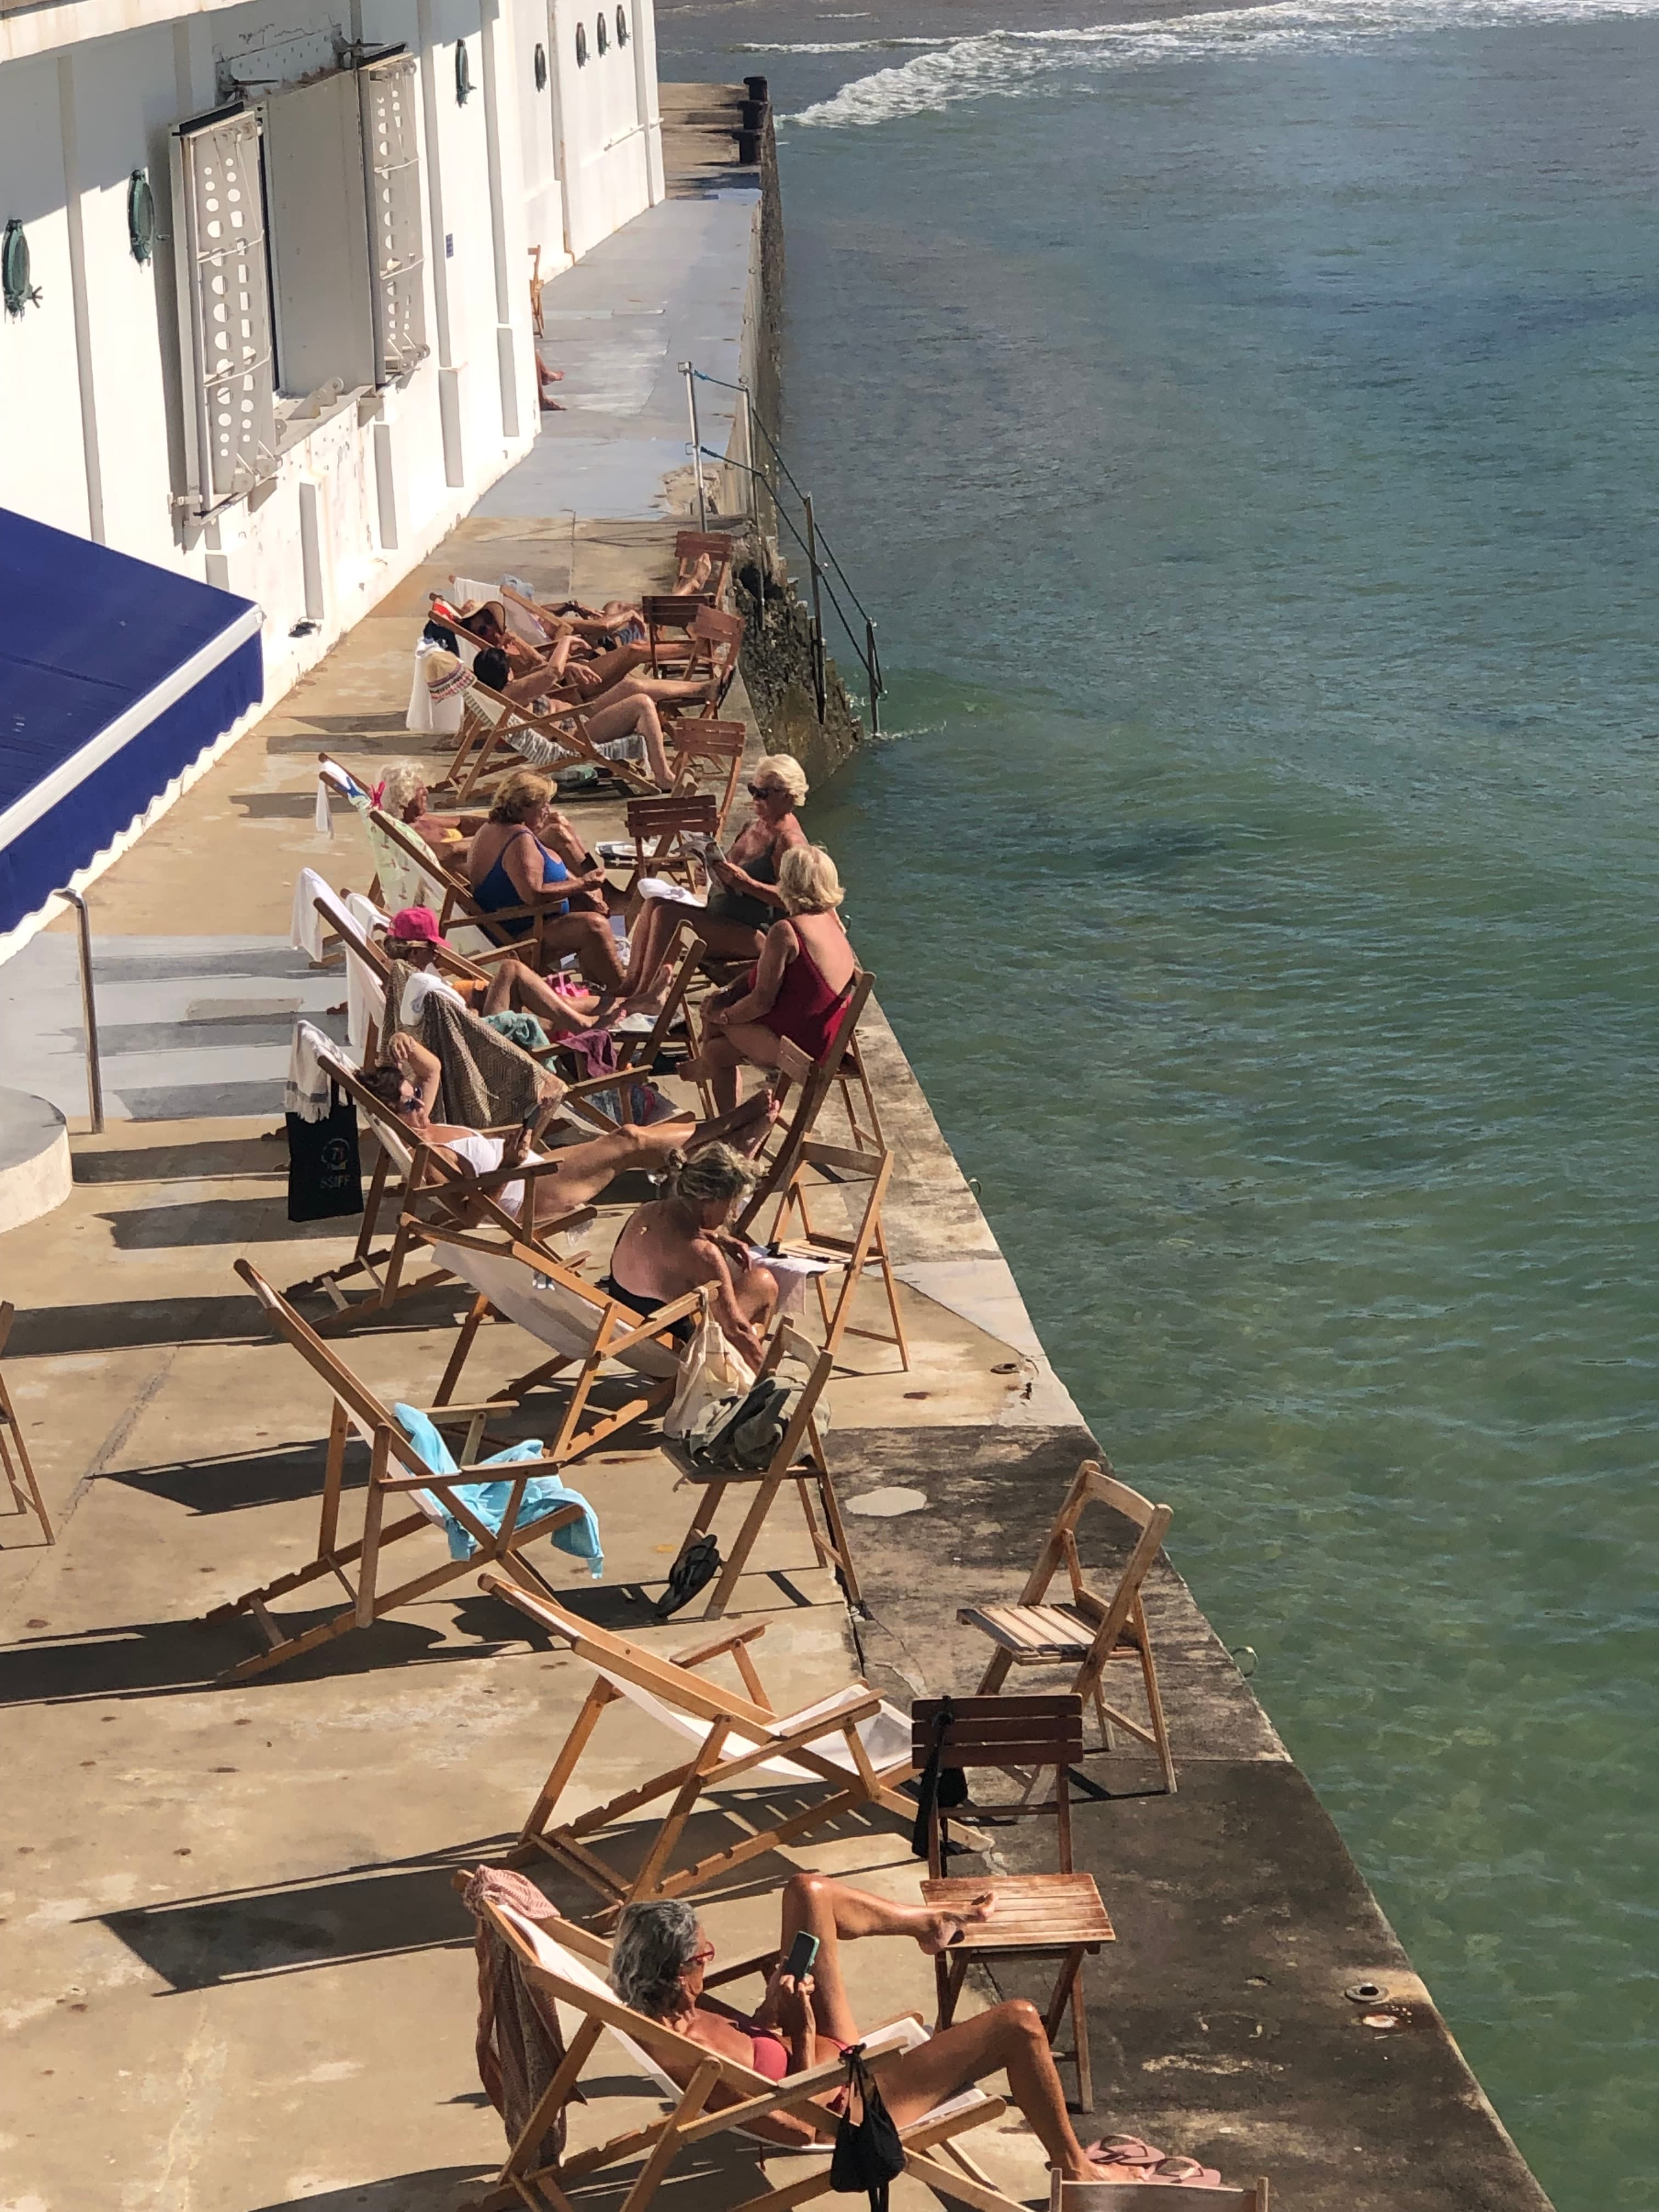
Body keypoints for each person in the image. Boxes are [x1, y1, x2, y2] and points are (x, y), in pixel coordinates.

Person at [608, 1880, 1220, 2185]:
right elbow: (794, 2123)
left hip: (836, 2062)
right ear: (676, 1972)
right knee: (1021, 2023)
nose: (711, 1959)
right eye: (703, 1957)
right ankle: (1080, 2174)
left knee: (808, 1892)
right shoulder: (692, 2050)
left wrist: (771, 2014)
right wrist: (803, 2028)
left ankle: (929, 1922)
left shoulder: (670, 2009)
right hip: (850, 2107)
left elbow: (755, 2055)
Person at [359, 1039, 776, 1228]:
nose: (419, 1105)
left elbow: (431, 1068)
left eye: (415, 1097)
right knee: (628, 1140)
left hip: (527, 1171)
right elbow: (469, 1218)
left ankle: (725, 1138)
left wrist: (403, 1044)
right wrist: (508, 1164)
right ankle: (728, 1128)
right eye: (409, 1105)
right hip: (527, 1194)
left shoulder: (425, 1124)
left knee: (629, 1141)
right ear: (390, 1115)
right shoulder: (426, 1157)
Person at [620, 754, 811, 1014]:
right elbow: (732, 876)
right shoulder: (752, 826)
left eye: (763, 794)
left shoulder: (789, 842)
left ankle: (650, 996)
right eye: (753, 790)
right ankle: (632, 985)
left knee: (668, 915)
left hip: (755, 934)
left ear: (788, 796)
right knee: (654, 903)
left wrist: (747, 884)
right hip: (722, 918)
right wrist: (711, 873)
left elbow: (795, 901)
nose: (755, 799)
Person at [681, 845, 855, 1114]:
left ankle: (712, 1086)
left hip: (798, 1050)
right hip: (826, 1041)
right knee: (717, 1051)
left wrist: (723, 1016)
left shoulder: (786, 932)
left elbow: (761, 1002)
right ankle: (726, 1116)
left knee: (714, 1016)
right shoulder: (832, 926)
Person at [604, 1143, 776, 1366]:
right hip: (677, 1349)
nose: (732, 1215)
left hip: (627, 1326)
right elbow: (737, 1330)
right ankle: (739, 1376)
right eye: (731, 1204)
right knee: (763, 1283)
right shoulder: (703, 1255)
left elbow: (669, 1238)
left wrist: (718, 1237)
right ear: (708, 1200)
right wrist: (767, 1379)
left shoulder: (646, 1211)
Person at [465, 771, 628, 1001]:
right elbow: (534, 894)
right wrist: (583, 883)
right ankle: (627, 997)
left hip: (505, 924)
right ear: (525, 806)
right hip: (518, 936)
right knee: (593, 927)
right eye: (544, 805)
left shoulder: (491, 829)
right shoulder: (518, 839)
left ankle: (598, 996)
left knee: (590, 912)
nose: (548, 811)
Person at [382, 906, 597, 1036]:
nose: (437, 954)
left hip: (477, 1032)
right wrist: (474, 1007)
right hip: (485, 1043)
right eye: (433, 948)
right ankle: (594, 1017)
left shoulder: (399, 979)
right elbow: (464, 1024)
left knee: (538, 999)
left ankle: (605, 1011)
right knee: (510, 968)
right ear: (414, 953)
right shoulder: (425, 987)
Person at [376, 761, 480, 862]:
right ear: (405, 800)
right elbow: (446, 851)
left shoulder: (420, 819)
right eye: (420, 790)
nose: (426, 792)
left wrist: (492, 825)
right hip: (469, 863)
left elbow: (458, 822)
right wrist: (488, 839)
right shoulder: (410, 834)